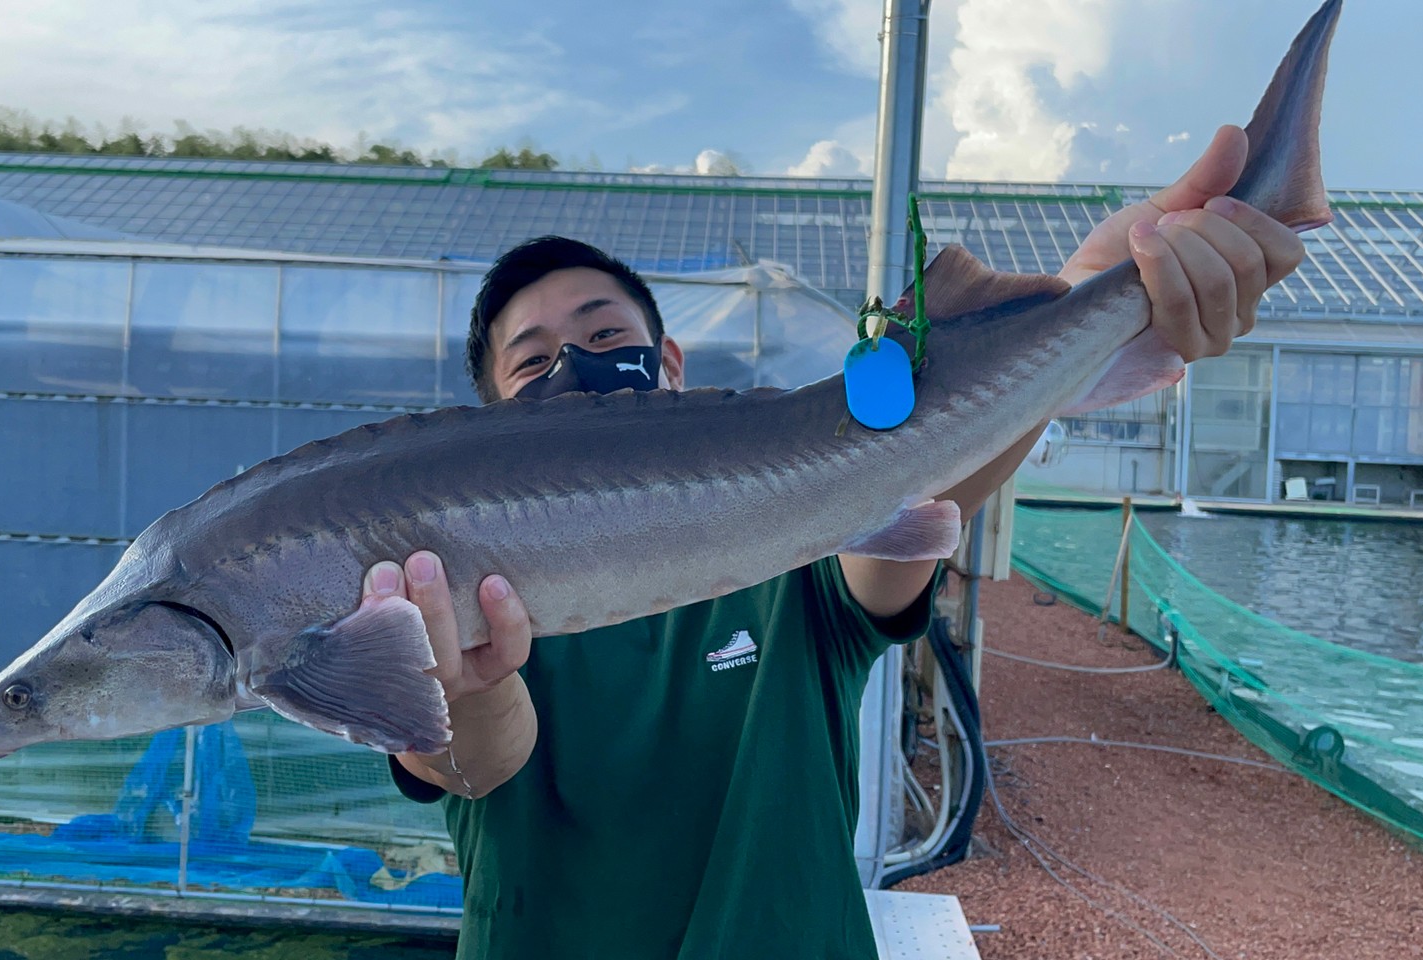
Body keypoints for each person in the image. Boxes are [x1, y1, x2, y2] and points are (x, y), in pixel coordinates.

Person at [362, 125, 1304, 959]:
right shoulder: (443, 586)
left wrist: (1092, 298)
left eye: (607, 333)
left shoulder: (793, 547)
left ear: (672, 367)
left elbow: (909, 486)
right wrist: (458, 684)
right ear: (487, 423)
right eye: (534, 361)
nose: (578, 366)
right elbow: (474, 765)